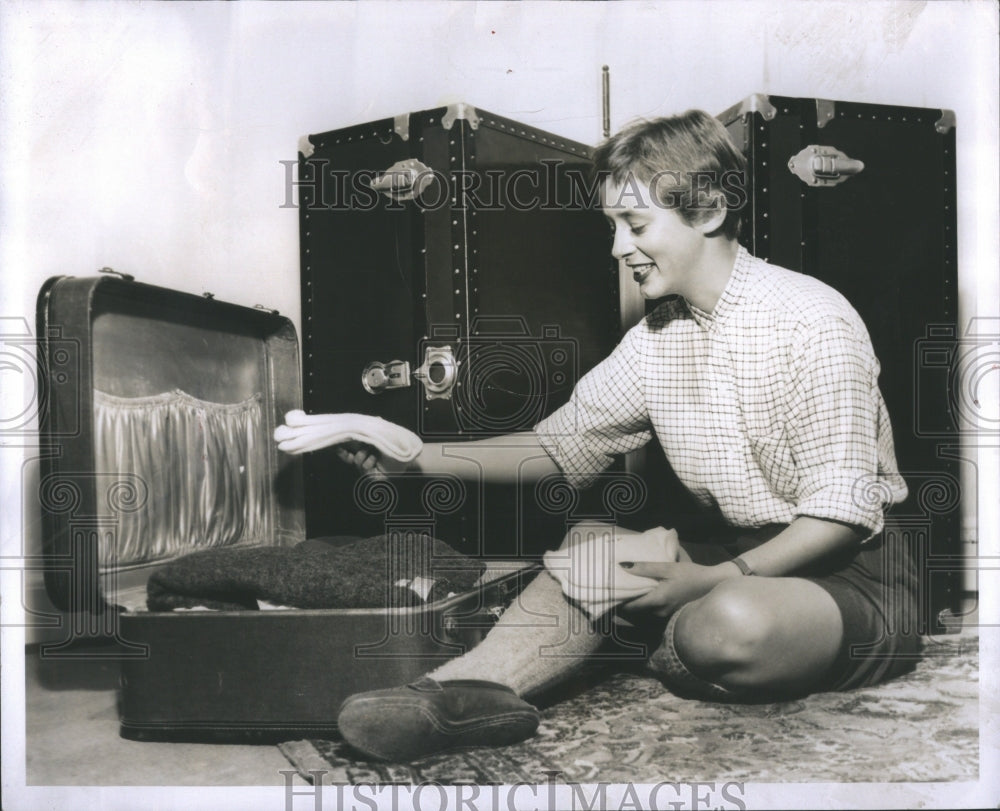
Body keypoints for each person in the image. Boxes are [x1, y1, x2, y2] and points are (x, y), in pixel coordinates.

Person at [293, 110, 920, 763]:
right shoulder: (658, 339)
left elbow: (838, 520)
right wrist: (415, 458)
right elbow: (556, 446)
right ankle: (449, 696)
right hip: (736, 559)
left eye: (636, 225)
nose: (618, 247)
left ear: (706, 210)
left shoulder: (814, 318)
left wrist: (708, 579)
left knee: (729, 622)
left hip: (854, 577)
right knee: (592, 544)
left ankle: (624, 637)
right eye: (613, 226)